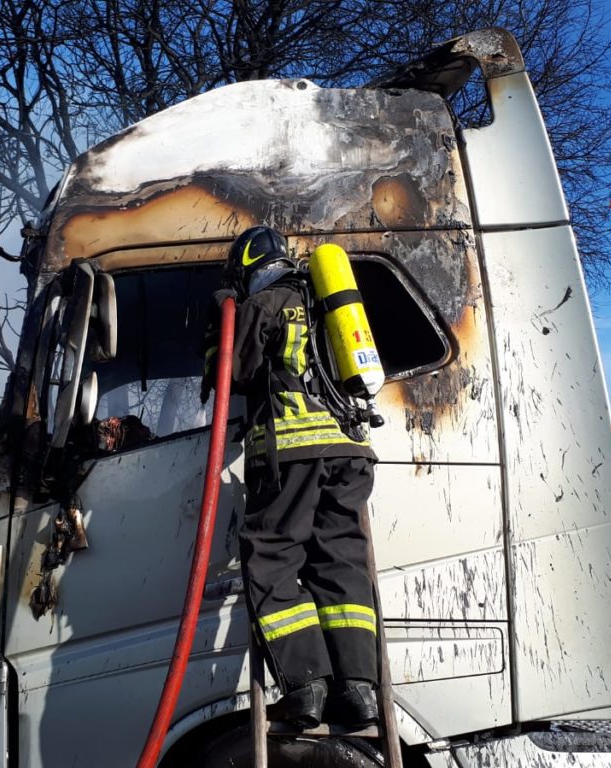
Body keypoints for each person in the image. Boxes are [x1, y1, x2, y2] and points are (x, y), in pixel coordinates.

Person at [201, 226, 381, 729]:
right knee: (340, 558)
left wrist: (221, 324)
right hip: (351, 450)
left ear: (246, 269)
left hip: (294, 451)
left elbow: (230, 377)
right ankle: (359, 689)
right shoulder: (326, 305)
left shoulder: (262, 304)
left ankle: (306, 685)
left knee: (273, 553)